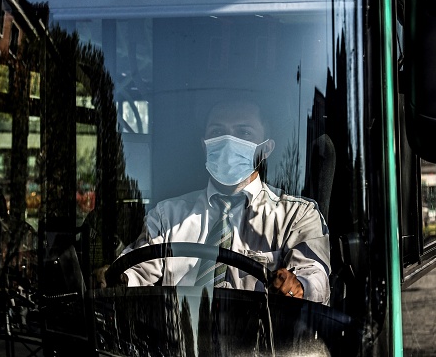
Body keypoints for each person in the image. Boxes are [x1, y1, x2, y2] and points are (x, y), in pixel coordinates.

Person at [95, 99, 330, 304]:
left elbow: (314, 279)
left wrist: (297, 286)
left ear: (266, 149)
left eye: (244, 133)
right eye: (218, 132)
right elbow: (135, 273)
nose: (228, 141)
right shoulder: (167, 217)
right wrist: (115, 279)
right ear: (204, 145)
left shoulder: (297, 216)